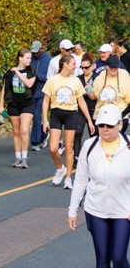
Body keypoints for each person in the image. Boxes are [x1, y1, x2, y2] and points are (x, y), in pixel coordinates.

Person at [68, 104, 130, 268]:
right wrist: (72, 210)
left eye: (109, 126)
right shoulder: (90, 146)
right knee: (102, 256)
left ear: (120, 125)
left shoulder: (128, 146)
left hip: (123, 210)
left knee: (118, 256)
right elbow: (81, 179)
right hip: (96, 209)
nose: (104, 129)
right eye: (101, 125)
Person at [42, 55, 95, 189]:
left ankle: (68, 178)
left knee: (68, 148)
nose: (75, 67)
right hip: (56, 113)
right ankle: (60, 168)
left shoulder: (76, 81)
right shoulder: (52, 80)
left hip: (71, 114)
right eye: (73, 64)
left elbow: (81, 102)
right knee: (53, 148)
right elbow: (46, 101)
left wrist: (89, 120)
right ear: (65, 64)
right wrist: (45, 119)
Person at [0, 49, 36, 168]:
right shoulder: (10, 72)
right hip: (13, 104)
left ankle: (24, 158)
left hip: (27, 104)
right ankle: (17, 157)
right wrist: (1, 105)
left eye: (30, 58)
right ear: (20, 58)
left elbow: (29, 84)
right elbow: (4, 89)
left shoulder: (32, 71)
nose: (29, 60)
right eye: (27, 58)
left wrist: (18, 73)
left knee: (24, 130)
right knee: (16, 132)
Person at [90, 55, 130, 133]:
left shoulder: (124, 75)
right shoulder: (100, 76)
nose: (114, 69)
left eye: (116, 67)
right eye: (111, 67)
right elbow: (93, 96)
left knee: (115, 139)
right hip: (101, 115)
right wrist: (87, 90)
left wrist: (121, 116)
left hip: (119, 115)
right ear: (107, 67)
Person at [30, 41, 52, 151]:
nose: (35, 54)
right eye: (33, 52)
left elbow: (50, 78)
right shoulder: (31, 59)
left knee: (37, 115)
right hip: (31, 93)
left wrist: (38, 76)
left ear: (42, 49)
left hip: (43, 92)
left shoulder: (49, 60)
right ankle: (44, 135)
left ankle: (35, 141)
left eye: (36, 51)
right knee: (34, 116)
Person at [75, 52, 97, 159]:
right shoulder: (78, 79)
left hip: (93, 109)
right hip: (80, 110)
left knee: (94, 135)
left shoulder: (97, 78)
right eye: (82, 67)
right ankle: (76, 158)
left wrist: (87, 91)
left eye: (86, 67)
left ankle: (94, 157)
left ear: (92, 66)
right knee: (77, 133)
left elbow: (96, 96)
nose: (84, 70)